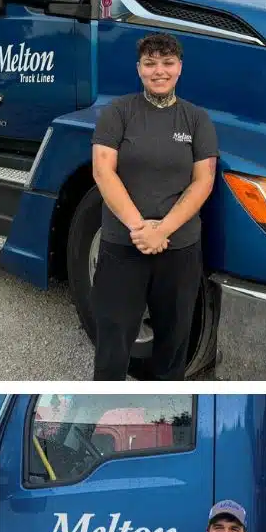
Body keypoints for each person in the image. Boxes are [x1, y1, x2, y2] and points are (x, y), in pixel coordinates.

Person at [90, 32, 218, 381]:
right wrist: (140, 227)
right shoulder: (118, 112)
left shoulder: (196, 119)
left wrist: (162, 230)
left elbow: (203, 180)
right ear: (139, 69)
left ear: (179, 68)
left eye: (167, 63)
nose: (158, 71)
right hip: (122, 246)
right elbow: (103, 170)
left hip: (179, 249)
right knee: (113, 341)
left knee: (174, 343)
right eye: (150, 64)